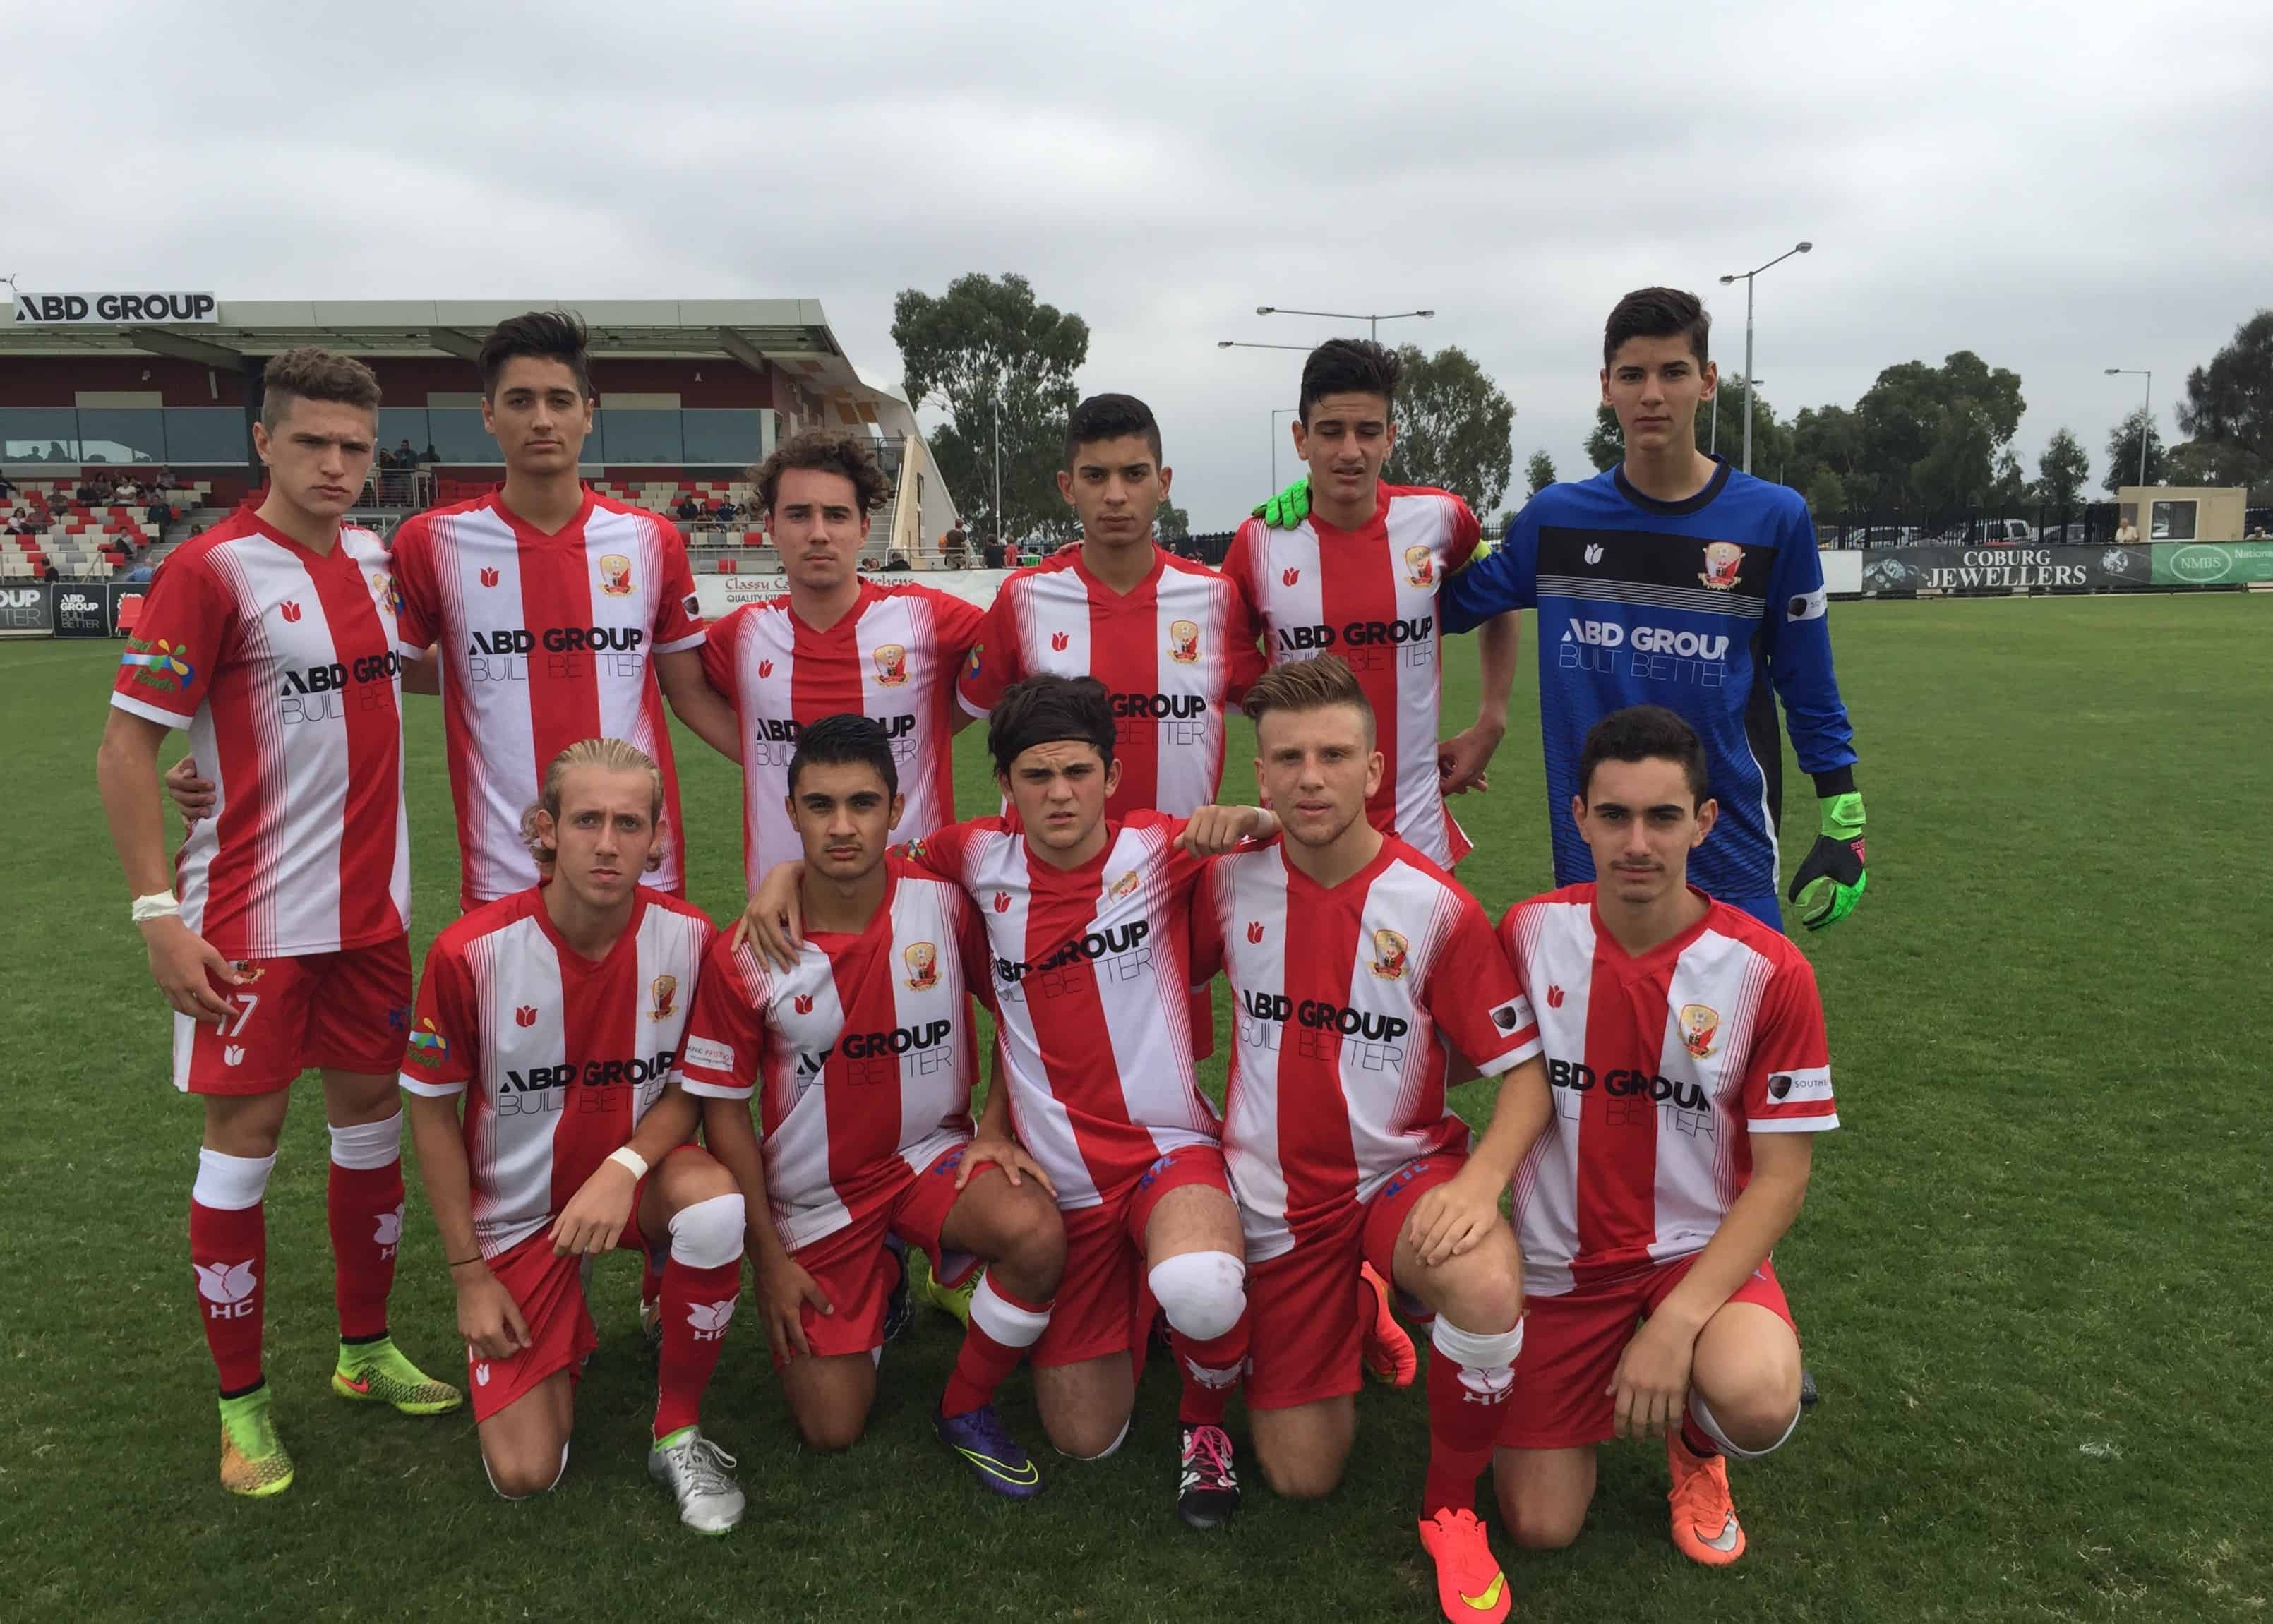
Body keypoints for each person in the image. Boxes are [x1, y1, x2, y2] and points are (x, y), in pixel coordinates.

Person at [742, 675, 1271, 1528]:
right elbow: (855, 852)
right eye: (1036, 775)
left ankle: (1202, 1426)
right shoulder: (973, 858)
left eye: (1077, 772)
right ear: (1005, 785)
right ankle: (1129, 1296)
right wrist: (782, 874)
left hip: (1166, 1150)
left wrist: (1252, 818)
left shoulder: (1161, 846)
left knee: (1201, 1285)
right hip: (1063, 1180)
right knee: (1084, 1438)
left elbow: (1288, 835)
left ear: (1110, 775)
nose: (1059, 793)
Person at [93, 347, 460, 1499]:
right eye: (312, 442)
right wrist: (158, 914)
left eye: (356, 446)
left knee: (372, 1126)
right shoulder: (209, 571)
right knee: (243, 1145)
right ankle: (242, 1407)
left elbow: (414, 676)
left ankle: (364, 1351)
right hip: (248, 921)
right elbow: (127, 748)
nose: (337, 464)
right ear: (264, 442)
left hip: (373, 918)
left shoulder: (376, 563)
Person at [1189, 656, 1549, 1624]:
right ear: (1260, 776)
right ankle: (1363, 1301)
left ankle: (1450, 1507)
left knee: (1483, 1282)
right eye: (1289, 759)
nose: (1311, 778)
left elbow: (1523, 1073)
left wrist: (1477, 1184)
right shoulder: (1224, 884)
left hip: (1401, 1174)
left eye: (1335, 756)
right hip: (1274, 1199)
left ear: (1375, 769)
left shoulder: (1433, 907)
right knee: (1301, 1475)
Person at [172, 311, 740, 913]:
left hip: (638, 862)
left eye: (559, 400)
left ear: (588, 413)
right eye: (519, 401)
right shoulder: (431, 542)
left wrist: (785, 768)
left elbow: (690, 693)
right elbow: (368, 669)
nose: (541, 419)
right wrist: (224, 753)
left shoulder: (651, 540)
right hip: (504, 867)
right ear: (489, 415)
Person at [680, 716, 1067, 1496]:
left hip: (930, 1158)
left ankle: (965, 1403)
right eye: (820, 805)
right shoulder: (747, 951)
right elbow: (724, 1111)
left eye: (862, 803)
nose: (842, 826)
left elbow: (1019, 1013)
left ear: (895, 809)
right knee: (831, 1428)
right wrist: (769, 1260)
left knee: (1035, 1232)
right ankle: (883, 1272)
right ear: (790, 812)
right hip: (816, 1195)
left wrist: (994, 1127)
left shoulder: (947, 904)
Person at [1489, 704, 1837, 1567]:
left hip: (1693, 1254)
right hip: (1559, 1265)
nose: (1637, 843)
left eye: (1662, 817)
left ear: (1704, 821)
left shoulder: (1767, 972)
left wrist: (1678, 1322)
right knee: (1539, 1526)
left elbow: (1782, 1178)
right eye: (1614, 816)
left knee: (1757, 1398)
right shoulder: (1527, 933)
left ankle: (1697, 1443)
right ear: (1579, 818)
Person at [401, 738, 750, 1533]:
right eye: (587, 820)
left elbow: (690, 1088)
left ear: (657, 838)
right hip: (523, 1215)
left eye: (629, 823)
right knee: (526, 1473)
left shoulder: (691, 938)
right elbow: (430, 1113)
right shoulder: (470, 954)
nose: (607, 843)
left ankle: (679, 1430)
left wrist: (624, 1166)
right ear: (545, 829)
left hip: (633, 1185)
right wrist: (469, 1275)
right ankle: (563, 1301)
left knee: (713, 1206)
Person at [1438, 288, 1867, 933]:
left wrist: (1843, 815)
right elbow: (1437, 607)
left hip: (1729, 855)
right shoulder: (1557, 520)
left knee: (1748, 1003)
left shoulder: (1774, 518)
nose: (1653, 395)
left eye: (1674, 372)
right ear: (1606, 386)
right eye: (1633, 375)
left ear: (1708, 381)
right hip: (1595, 862)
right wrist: (1328, 505)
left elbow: (1809, 684)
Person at [1229, 339, 1521, 870]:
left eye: (1367, 431)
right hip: (1301, 835)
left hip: (1419, 837)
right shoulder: (1259, 541)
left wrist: (1491, 720)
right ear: (1300, 439)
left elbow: (1502, 594)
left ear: (1390, 437)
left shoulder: (1441, 518)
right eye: (1330, 431)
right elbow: (1218, 655)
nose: (1350, 451)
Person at [696, 429, 985, 894]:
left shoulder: (929, 619)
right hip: (783, 913)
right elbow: (685, 689)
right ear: (771, 527)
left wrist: (935, 729)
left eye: (836, 515)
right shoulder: (742, 635)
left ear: (864, 528)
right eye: (798, 515)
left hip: (918, 906)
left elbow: (1008, 657)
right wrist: (755, 751)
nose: (818, 533)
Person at [958, 393, 1264, 823]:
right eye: (1095, 476)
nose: (1116, 495)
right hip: (1047, 864)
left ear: (1163, 483)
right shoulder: (1023, 598)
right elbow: (949, 719)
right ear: (1068, 486)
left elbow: (1284, 712)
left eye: (1134, 474)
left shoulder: (1215, 598)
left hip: (1177, 860)